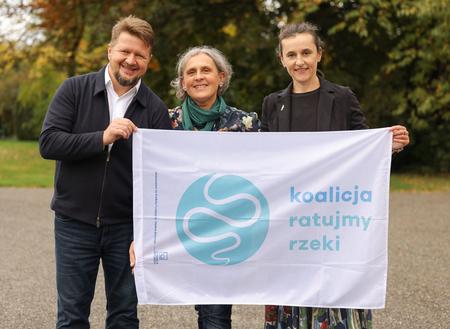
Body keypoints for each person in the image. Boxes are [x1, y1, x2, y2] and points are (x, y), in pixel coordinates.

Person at [262, 22, 410, 329]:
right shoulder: (272, 104)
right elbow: (263, 158)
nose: (299, 60)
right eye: (291, 54)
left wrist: (389, 145)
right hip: (290, 220)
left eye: (306, 52)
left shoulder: (341, 97)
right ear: (281, 59)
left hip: (334, 220)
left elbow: (363, 147)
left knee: (336, 295)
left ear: (319, 54)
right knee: (293, 294)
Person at [39, 15, 172, 329]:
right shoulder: (74, 89)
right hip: (74, 223)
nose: (131, 60)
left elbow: (161, 177)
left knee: (124, 317)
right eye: (125, 51)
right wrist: (102, 137)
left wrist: (145, 235)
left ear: (149, 60)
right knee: (71, 317)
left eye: (140, 55)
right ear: (110, 50)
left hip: (125, 230)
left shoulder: (154, 109)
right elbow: (49, 143)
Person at [129, 45, 259, 329]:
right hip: (176, 228)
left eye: (206, 70)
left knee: (215, 316)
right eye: (191, 72)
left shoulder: (246, 123)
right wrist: (138, 234)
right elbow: (147, 177)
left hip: (225, 234)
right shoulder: (164, 122)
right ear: (183, 83)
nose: (199, 77)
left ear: (221, 77)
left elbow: (267, 175)